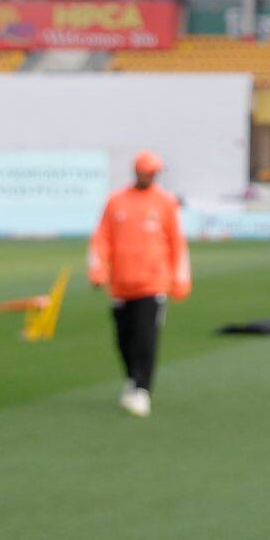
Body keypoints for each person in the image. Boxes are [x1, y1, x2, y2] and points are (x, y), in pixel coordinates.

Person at [88, 151, 190, 418]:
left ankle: (143, 390)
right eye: (148, 171)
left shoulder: (165, 203)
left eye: (155, 171)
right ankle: (133, 379)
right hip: (121, 284)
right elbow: (101, 238)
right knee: (123, 339)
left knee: (146, 337)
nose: (152, 175)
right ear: (138, 171)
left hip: (153, 283)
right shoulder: (116, 201)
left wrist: (180, 279)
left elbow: (176, 243)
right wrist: (98, 270)